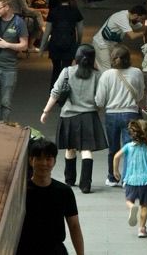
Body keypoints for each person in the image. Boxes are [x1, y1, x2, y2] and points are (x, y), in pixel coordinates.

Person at [42, 44, 108, 193]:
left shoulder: (67, 72)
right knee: (86, 151)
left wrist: (45, 111)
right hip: (89, 117)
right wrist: (97, 107)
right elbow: (100, 99)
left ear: (76, 57)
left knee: (70, 148)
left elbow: (56, 92)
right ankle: (86, 184)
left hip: (69, 116)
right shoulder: (98, 75)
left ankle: (69, 180)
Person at [17, 136, 85, 255]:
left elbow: (74, 225)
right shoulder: (21, 191)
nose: (44, 163)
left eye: (48, 159)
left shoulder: (64, 191)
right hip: (26, 250)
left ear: (54, 161)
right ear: (30, 160)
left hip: (55, 250)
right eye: (38, 158)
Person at [98, 46, 147, 183]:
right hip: (131, 114)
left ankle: (112, 178)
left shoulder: (106, 75)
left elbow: (100, 100)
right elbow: (141, 94)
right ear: (128, 58)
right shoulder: (137, 72)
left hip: (111, 115)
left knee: (113, 148)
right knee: (129, 148)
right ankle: (127, 178)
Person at [0, 0, 31, 123]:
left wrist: (7, 45)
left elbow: (24, 45)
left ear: (7, 7)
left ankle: (3, 130)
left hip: (9, 68)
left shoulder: (18, 22)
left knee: (6, 103)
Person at [116, 117, 147, 238]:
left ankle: (131, 207)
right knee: (145, 205)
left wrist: (115, 171)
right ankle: (141, 229)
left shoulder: (128, 147)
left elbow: (116, 156)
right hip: (146, 181)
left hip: (131, 180)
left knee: (128, 200)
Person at [45, 0, 84, 81]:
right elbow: (80, 30)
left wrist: (43, 47)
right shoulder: (75, 11)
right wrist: (78, 42)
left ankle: (53, 92)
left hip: (55, 44)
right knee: (66, 69)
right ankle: (65, 92)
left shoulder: (53, 11)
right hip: (69, 43)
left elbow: (47, 31)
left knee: (56, 70)